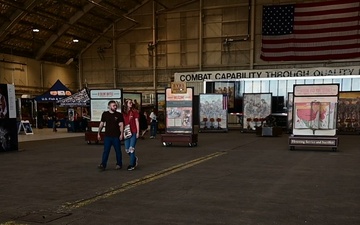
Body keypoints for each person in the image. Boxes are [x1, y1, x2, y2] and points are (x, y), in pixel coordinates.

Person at [97, 100, 124, 171]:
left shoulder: (119, 115)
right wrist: (98, 133)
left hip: (116, 136)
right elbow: (101, 124)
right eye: (113, 105)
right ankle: (103, 164)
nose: (115, 107)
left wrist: (121, 133)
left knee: (118, 151)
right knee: (106, 151)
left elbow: (121, 124)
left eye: (115, 106)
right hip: (107, 136)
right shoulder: (105, 114)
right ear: (109, 106)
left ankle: (119, 164)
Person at [122, 99, 139, 171]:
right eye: (129, 102)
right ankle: (134, 158)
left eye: (131, 102)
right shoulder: (123, 113)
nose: (131, 104)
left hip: (133, 131)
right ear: (126, 104)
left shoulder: (134, 112)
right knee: (127, 149)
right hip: (126, 132)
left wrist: (138, 132)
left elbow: (137, 121)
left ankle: (132, 164)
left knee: (131, 148)